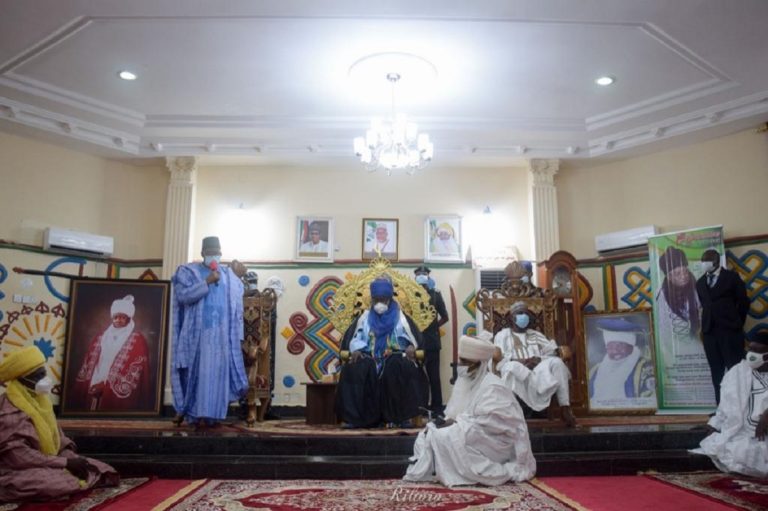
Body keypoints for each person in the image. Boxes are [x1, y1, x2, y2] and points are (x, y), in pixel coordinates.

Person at [403, 332, 535, 487]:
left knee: (444, 436)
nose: (460, 365)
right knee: (428, 433)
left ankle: (457, 469)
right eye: (460, 360)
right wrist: (446, 423)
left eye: (465, 362)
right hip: (474, 434)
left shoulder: (494, 387)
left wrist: (455, 424)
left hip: (495, 444)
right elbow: (457, 413)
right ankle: (440, 468)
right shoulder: (467, 382)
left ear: (479, 364)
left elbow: (492, 427)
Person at [0, 346, 119, 502]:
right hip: (15, 469)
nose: (45, 379)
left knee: (97, 468)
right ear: (23, 380)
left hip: (47, 461)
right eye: (38, 375)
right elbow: (19, 457)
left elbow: (57, 438)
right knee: (51, 481)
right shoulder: (9, 410)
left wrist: (69, 457)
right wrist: (64, 463)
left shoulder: (41, 400)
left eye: (44, 373)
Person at [171, 236, 249, 426]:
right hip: (198, 336)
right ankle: (196, 415)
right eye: (210, 252)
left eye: (217, 252)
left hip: (222, 337)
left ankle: (213, 417)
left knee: (218, 378)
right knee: (198, 377)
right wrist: (206, 282)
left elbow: (237, 305)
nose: (214, 256)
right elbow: (183, 296)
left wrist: (238, 336)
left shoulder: (228, 276)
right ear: (202, 253)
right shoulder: (189, 272)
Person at [335, 277, 423, 428]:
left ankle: (400, 418)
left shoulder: (401, 318)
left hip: (394, 355)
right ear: (372, 299)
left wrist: (411, 346)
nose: (379, 303)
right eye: (377, 299)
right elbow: (355, 337)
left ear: (389, 299)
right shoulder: (364, 318)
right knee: (354, 368)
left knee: (398, 367)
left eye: (383, 299)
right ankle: (356, 419)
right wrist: (356, 349)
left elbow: (413, 339)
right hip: (368, 356)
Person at [690, 330, 768, 477]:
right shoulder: (738, 372)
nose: (752, 354)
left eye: (758, 351)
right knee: (738, 450)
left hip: (764, 432)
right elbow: (726, 406)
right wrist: (715, 424)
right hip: (744, 431)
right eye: (751, 349)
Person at [494, 301, 577, 427]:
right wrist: (520, 361)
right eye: (520, 313)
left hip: (537, 370)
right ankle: (510, 413)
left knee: (557, 362)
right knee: (512, 367)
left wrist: (538, 359)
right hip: (515, 368)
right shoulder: (503, 335)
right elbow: (499, 357)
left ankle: (565, 408)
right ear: (511, 318)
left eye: (526, 313)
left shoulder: (535, 334)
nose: (523, 316)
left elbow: (551, 351)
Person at [70, 295, 151, 411]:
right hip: (95, 381)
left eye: (122, 317)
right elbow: (91, 363)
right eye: (116, 317)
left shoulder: (137, 339)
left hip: (113, 390)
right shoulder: (100, 336)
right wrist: (95, 382)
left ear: (129, 319)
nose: (118, 320)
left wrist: (106, 385)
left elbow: (134, 370)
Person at [696, 249, 750, 404]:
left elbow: (744, 302)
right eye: (702, 260)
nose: (704, 263)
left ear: (716, 261)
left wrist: (737, 322)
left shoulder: (732, 277)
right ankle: (721, 409)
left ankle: (740, 407)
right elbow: (704, 305)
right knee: (716, 373)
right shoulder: (700, 283)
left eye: (707, 260)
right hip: (709, 334)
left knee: (735, 371)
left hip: (730, 332)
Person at [588, 318, 656, 402]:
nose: (615, 351)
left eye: (620, 345)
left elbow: (650, 400)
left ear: (631, 347)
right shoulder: (595, 371)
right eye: (611, 346)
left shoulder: (645, 369)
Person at [414, 265, 449, 417]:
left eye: (424, 273)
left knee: (434, 377)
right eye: (419, 274)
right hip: (416, 342)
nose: (421, 276)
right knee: (416, 376)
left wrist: (434, 327)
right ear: (415, 277)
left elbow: (445, 317)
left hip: (432, 341)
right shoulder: (410, 294)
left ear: (428, 276)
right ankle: (419, 407)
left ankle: (437, 409)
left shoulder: (435, 294)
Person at [656, 246, 701, 353]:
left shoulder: (698, 287)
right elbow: (663, 326)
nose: (684, 276)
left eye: (685, 271)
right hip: (676, 348)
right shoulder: (661, 294)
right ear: (668, 277)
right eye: (677, 274)